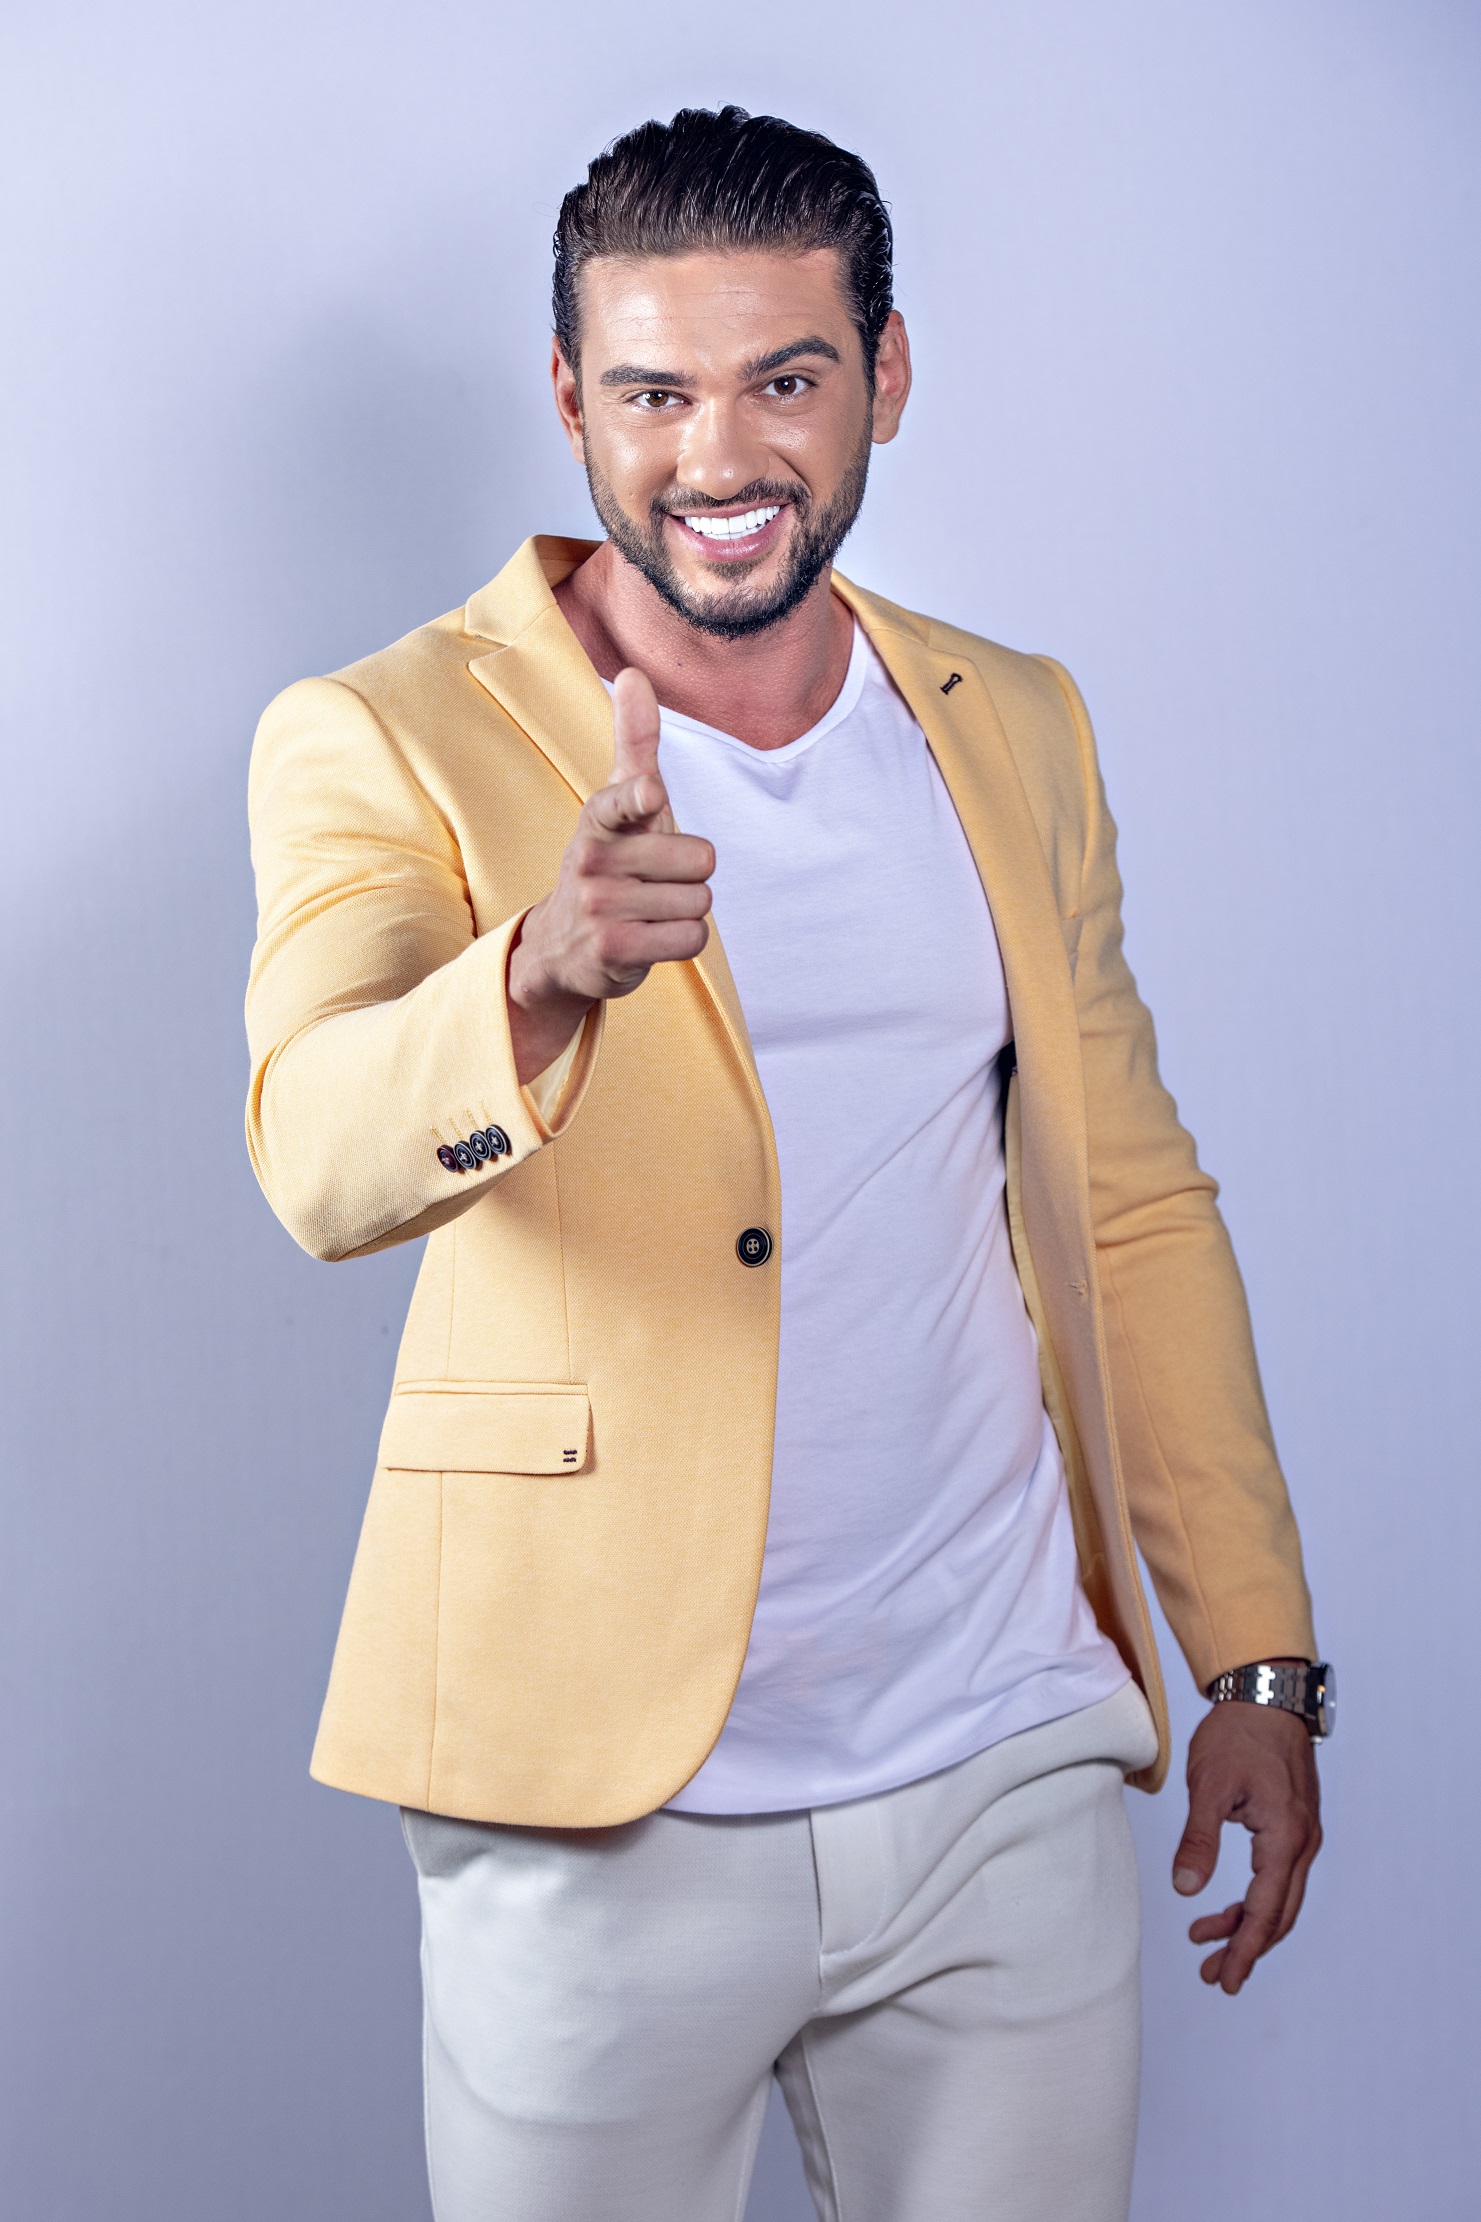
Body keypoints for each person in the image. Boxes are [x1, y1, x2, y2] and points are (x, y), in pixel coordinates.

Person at [245, 104, 1329, 2222]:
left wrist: (1257, 1658)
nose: (717, 453)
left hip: (998, 1756)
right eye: (652, 391)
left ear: (885, 376)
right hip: (597, 1797)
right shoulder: (385, 731)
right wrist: (535, 978)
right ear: (571, 396)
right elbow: (317, 1148)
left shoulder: (1012, 721)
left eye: (784, 378)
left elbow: (1130, 1202)